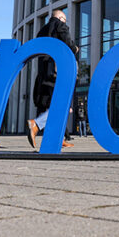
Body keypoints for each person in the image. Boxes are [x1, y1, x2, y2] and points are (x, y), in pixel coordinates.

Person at [27, 9, 78, 150]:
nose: (65, 23)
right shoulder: (59, 25)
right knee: (61, 104)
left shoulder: (41, 31)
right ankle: (36, 124)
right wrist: (75, 48)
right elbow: (67, 43)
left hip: (43, 73)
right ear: (60, 18)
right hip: (55, 71)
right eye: (65, 20)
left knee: (49, 104)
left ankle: (58, 138)